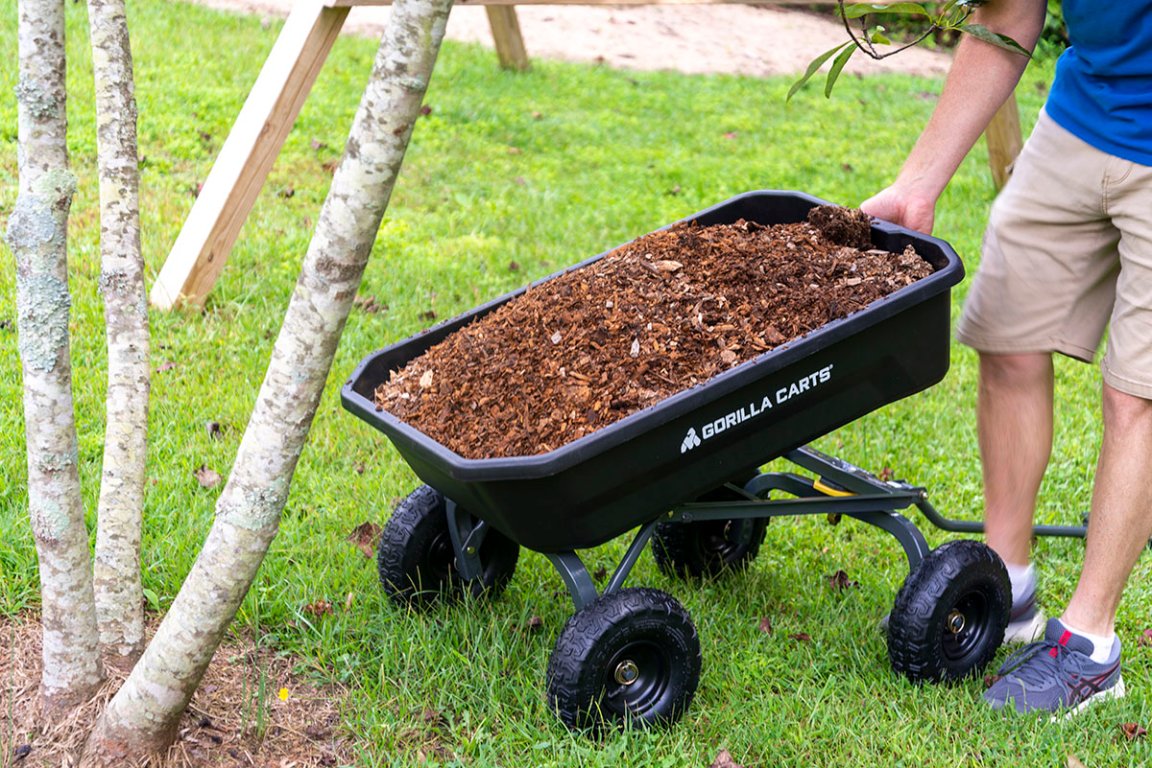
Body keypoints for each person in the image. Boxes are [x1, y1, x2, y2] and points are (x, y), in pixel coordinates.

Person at [861, 0, 1152, 715]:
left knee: (1138, 394)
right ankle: (1007, 588)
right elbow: (1010, 14)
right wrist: (919, 182)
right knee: (1007, 333)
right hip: (1083, 118)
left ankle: (1090, 647)